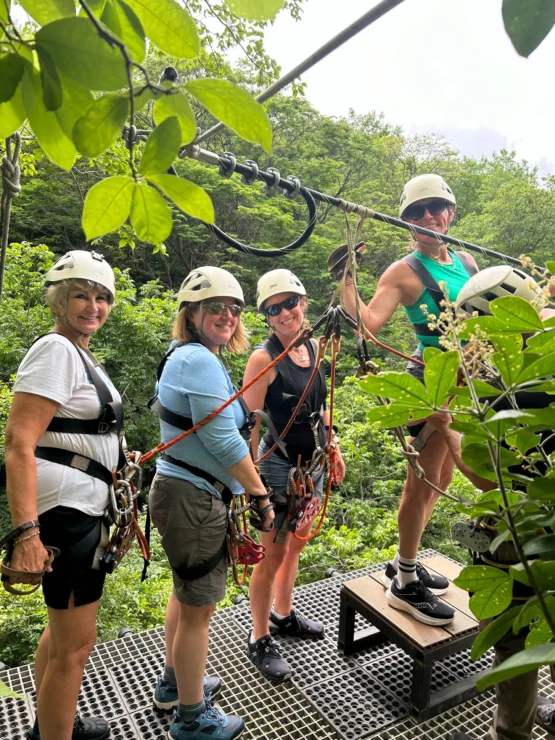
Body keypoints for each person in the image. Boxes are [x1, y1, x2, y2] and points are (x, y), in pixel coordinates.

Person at [332, 174, 479, 626]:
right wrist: (346, 278)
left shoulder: (468, 262)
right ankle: (405, 582)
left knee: (445, 475)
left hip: (466, 382)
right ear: (408, 223)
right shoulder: (404, 271)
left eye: (436, 207)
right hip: (428, 386)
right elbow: (369, 325)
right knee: (422, 481)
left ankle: (403, 560)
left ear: (450, 212)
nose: (429, 216)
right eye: (417, 212)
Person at [425, 266, 555, 740]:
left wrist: (445, 422)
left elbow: (486, 476)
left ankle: (510, 735)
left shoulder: (507, 391)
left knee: (515, 641)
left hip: (521, 536)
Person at [148, 266, 274, 740]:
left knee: (185, 593)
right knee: (199, 609)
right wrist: (259, 493)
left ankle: (175, 683)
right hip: (194, 499)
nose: (226, 315)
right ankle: (191, 716)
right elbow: (223, 442)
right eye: (214, 307)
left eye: (233, 309)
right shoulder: (198, 361)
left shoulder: (192, 355)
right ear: (191, 314)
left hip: (187, 493)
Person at [4, 250, 121, 740]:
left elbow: (68, 432)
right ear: (59, 300)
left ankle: (51, 723)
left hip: (78, 506)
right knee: (76, 646)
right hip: (65, 515)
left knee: (60, 634)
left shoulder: (77, 351)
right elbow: (19, 443)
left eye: (100, 298)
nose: (91, 306)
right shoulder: (56, 350)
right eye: (80, 295)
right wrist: (26, 533)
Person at [242, 269, 345, 681]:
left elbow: (321, 406)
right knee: (271, 554)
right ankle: (259, 635)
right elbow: (250, 424)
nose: (284, 313)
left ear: (304, 303)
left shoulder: (315, 347)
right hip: (278, 467)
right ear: (266, 316)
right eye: (274, 308)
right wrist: (249, 484)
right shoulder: (264, 358)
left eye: (290, 303)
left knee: (295, 545)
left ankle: (283, 614)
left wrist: (332, 442)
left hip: (312, 465)